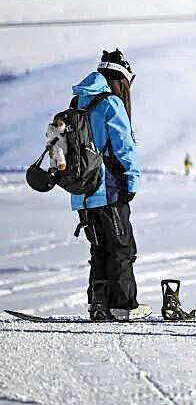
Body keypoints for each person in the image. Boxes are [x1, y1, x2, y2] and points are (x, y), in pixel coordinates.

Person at [72, 49, 149, 321]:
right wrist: (132, 180)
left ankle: (99, 305)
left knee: (99, 250)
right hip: (109, 189)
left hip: (82, 192)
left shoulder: (78, 102)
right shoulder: (110, 103)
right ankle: (124, 305)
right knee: (121, 248)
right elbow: (124, 146)